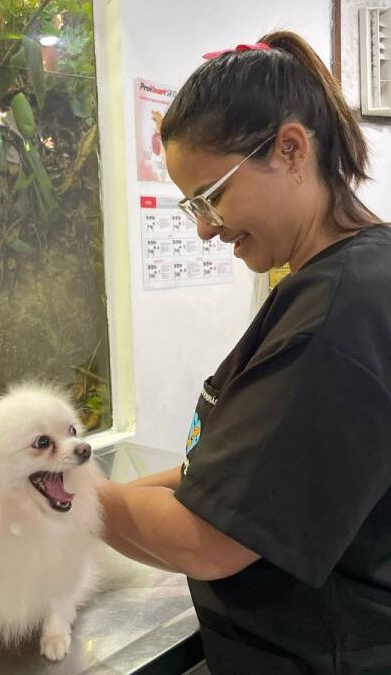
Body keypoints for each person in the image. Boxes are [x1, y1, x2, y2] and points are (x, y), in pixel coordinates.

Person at [97, 30, 391, 675]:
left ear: (290, 150)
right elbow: (237, 475)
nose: (204, 227)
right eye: (191, 206)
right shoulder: (343, 280)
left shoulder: (342, 311)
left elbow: (210, 541)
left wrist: (59, 500)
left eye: (212, 196)